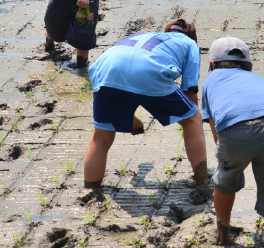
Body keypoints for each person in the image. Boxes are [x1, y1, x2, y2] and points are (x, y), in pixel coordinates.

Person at [86, 20, 210, 197]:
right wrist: (189, 116)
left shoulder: (141, 36)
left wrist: (130, 118)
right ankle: (202, 183)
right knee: (193, 120)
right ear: (193, 38)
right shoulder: (189, 44)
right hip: (148, 71)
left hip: (106, 68)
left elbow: (124, 83)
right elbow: (189, 90)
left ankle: (91, 190)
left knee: (101, 136)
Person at [201, 36, 264, 248]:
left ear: (212, 65)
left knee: (224, 180)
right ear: (250, 66)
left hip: (234, 132)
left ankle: (223, 235)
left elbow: (218, 134)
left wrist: (233, 166)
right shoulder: (257, 79)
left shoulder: (210, 83)